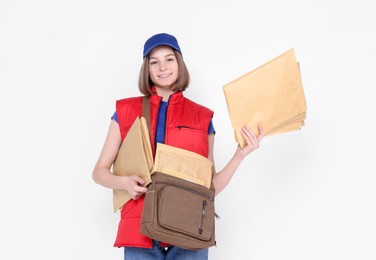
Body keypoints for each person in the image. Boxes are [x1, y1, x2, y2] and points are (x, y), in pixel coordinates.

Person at [92, 33, 263, 260]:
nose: (163, 67)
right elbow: (99, 172)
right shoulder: (125, 111)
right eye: (154, 61)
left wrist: (239, 156)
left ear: (179, 63)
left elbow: (209, 188)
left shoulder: (202, 117)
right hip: (139, 231)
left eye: (169, 59)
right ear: (147, 68)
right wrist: (124, 183)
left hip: (189, 229)